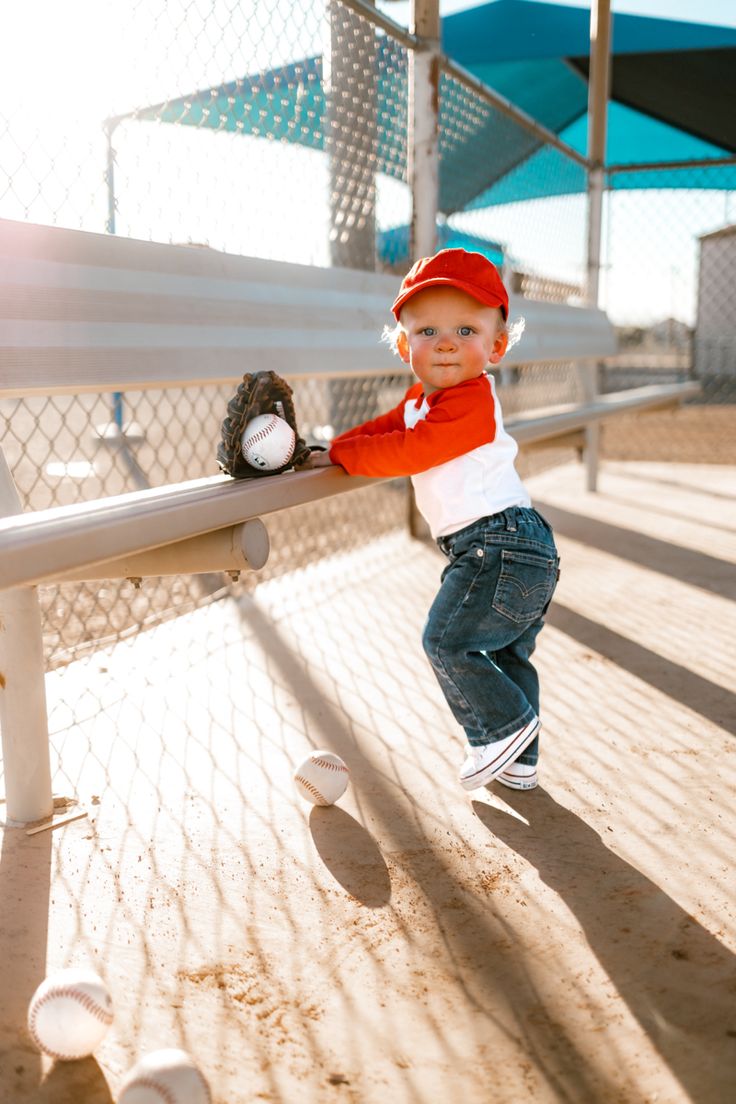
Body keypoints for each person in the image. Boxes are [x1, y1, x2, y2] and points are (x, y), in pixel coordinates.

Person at [306, 248, 560, 792]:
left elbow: (414, 450)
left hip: (498, 541)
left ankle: (502, 729)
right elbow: (381, 430)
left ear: (496, 346)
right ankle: (521, 760)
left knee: (446, 642)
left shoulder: (470, 399)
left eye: (466, 329)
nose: (445, 342)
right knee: (507, 653)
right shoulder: (421, 398)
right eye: (427, 332)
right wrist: (329, 450)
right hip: (515, 546)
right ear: (404, 346)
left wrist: (344, 458)